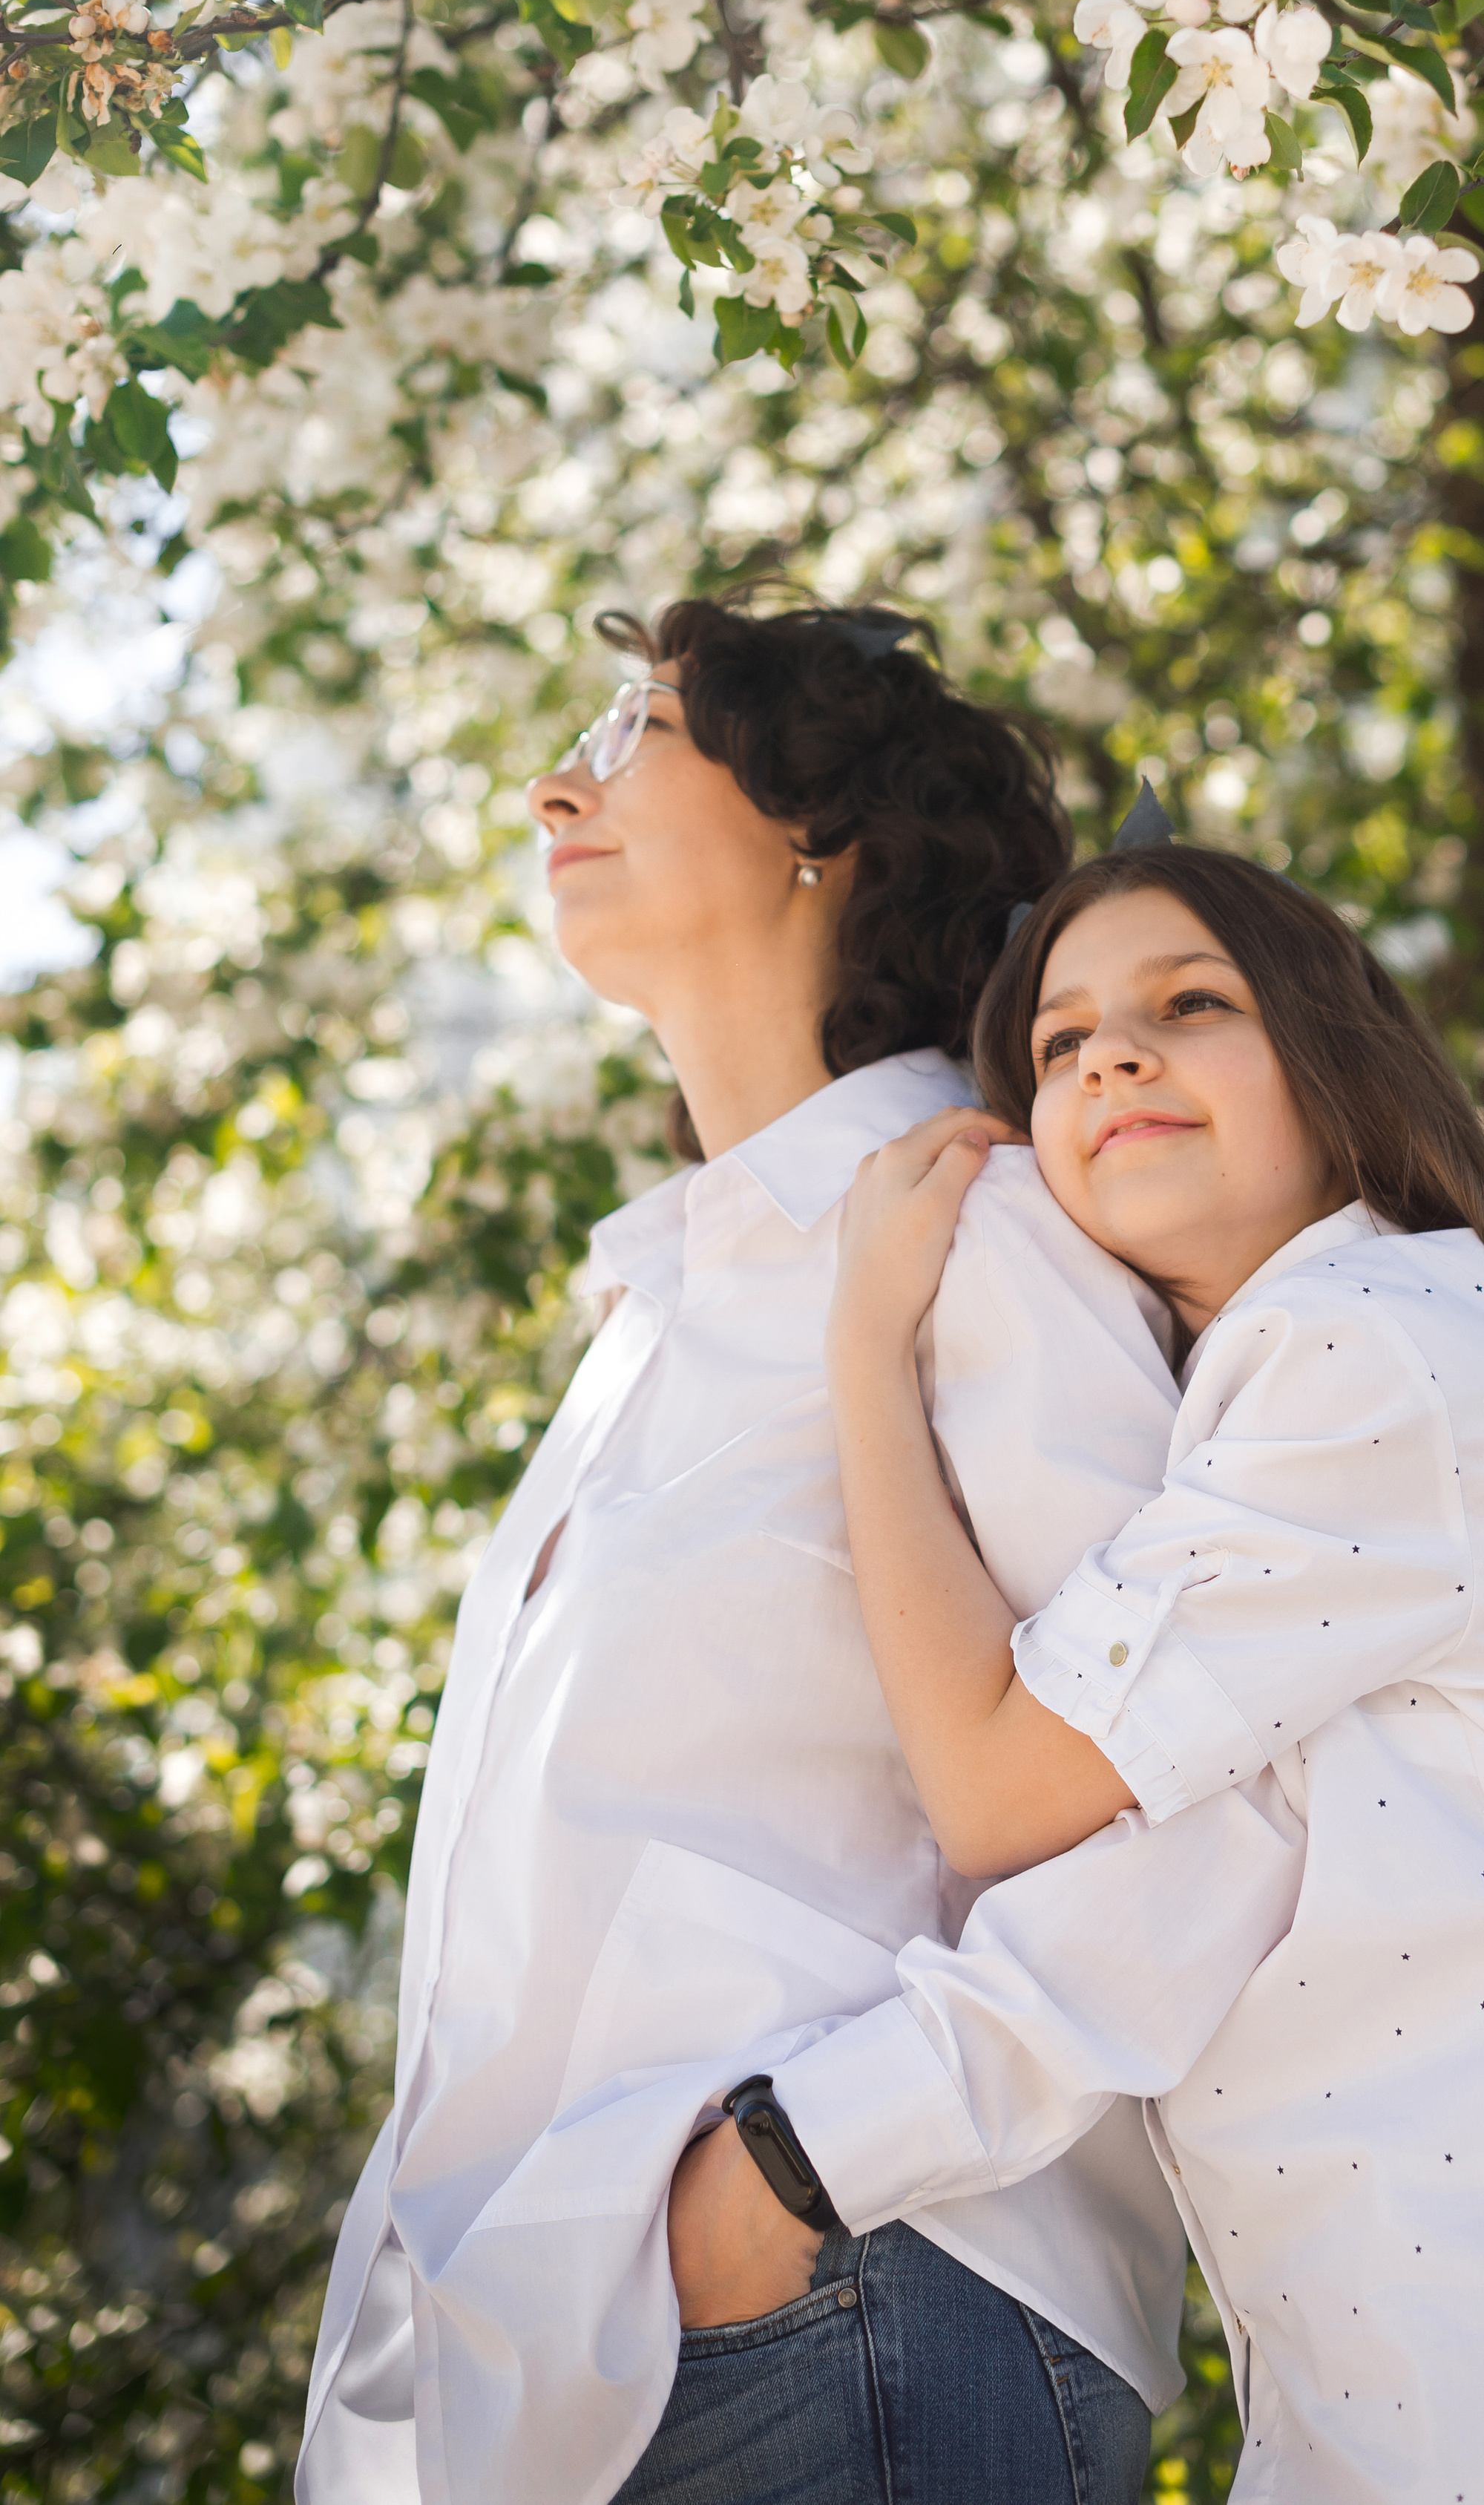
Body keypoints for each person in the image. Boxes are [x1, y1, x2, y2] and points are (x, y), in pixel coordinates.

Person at [295, 605, 1298, 2505]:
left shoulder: (976, 1224)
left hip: (861, 2315)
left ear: (816, 833)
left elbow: (1205, 1792)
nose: (554, 780)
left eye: (642, 723)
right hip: (582, 2372)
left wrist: (790, 2175)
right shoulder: (657, 1312)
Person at [755, 841, 1484, 2505]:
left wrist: (864, 1343)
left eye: (1185, 1005)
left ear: (1332, 1055)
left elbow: (999, 1790)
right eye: (1059, 1045)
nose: (1111, 1058)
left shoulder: (1369, 1343)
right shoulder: (1307, 1375)